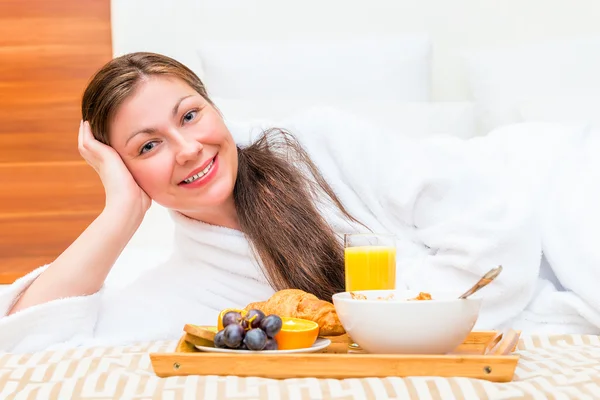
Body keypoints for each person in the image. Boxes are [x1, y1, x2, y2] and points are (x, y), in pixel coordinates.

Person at [0, 52, 597, 354]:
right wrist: (119, 213)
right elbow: (22, 341)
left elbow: (491, 219)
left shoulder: (318, 142)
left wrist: (398, 325)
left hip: (545, 186)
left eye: (190, 115)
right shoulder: (184, 284)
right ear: (123, 167)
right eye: (148, 145)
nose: (187, 149)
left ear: (214, 109)